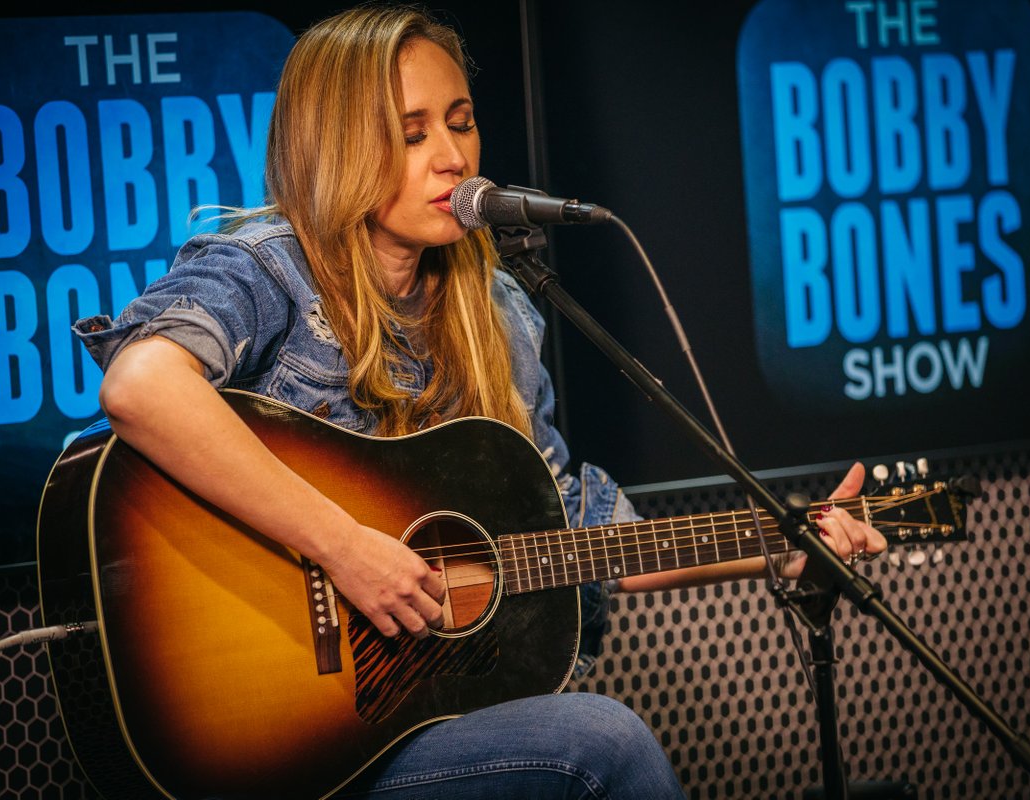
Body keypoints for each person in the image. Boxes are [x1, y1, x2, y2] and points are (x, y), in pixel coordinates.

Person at [74, 5, 885, 798]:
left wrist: (785, 544)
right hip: (276, 730)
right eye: (413, 132)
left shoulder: (498, 313)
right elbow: (140, 386)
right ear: (336, 144)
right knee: (602, 739)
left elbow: (580, 533)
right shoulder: (267, 269)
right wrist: (344, 548)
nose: (454, 156)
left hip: (414, 724)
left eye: (460, 123)